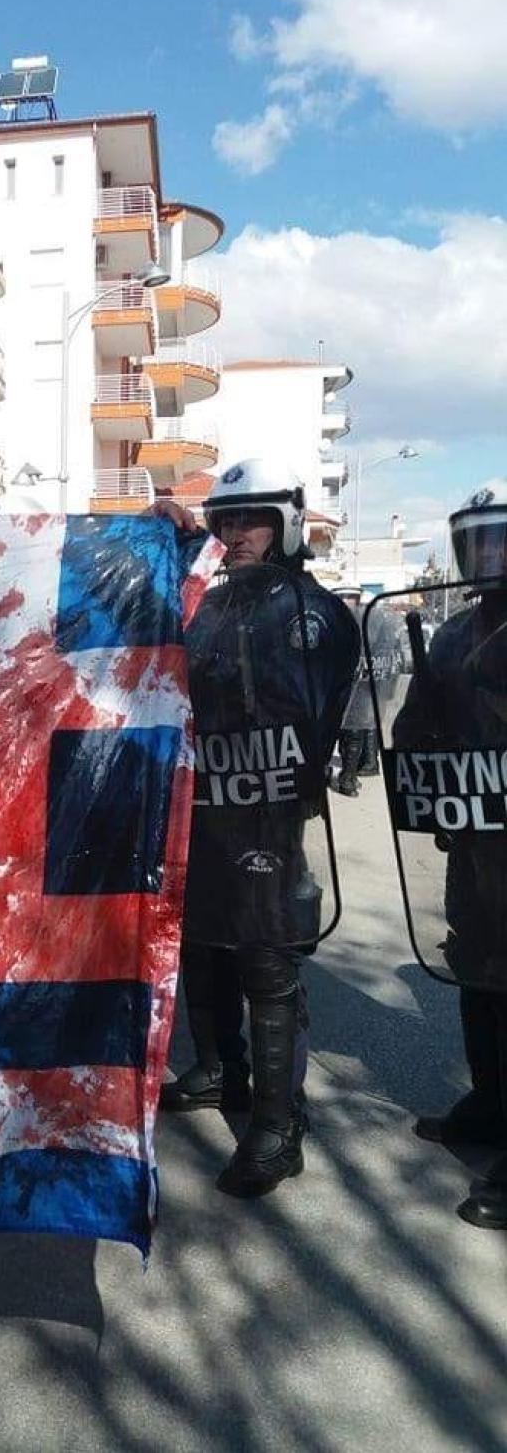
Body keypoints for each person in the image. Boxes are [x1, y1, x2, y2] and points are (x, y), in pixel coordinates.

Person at [156, 460, 360, 1196]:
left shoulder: (313, 611)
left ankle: (278, 1124)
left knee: (266, 959)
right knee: (200, 944)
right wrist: (168, 546)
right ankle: (219, 1068)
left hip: (267, 814)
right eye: (227, 520)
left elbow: (316, 710)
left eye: (255, 520)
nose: (238, 533)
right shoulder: (203, 603)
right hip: (202, 805)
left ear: (288, 525)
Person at [393, 481, 507, 1230]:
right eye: (479, 541)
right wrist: (424, 753)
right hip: (474, 840)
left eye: (502, 539)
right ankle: (491, 1101)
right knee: (476, 964)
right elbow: (414, 728)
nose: (489, 554)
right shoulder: (452, 634)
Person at [329, 586, 402, 796]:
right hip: (367, 682)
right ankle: (350, 777)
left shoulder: (351, 620)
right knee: (356, 729)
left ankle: (347, 778)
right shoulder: (377, 620)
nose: (347, 601)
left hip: (355, 683)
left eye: (349, 597)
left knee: (350, 730)